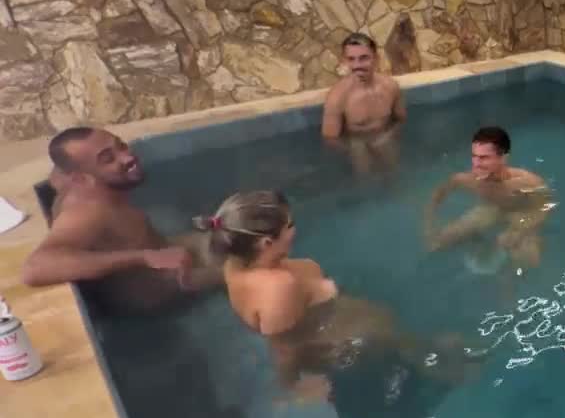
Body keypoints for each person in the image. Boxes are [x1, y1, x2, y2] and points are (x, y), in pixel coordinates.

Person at [197, 190, 477, 403]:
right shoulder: (278, 288)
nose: (295, 229)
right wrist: (293, 386)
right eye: (290, 225)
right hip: (349, 340)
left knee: (407, 339)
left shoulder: (236, 261)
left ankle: (432, 348)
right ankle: (462, 380)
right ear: (266, 243)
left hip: (341, 320)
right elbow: (283, 346)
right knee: (415, 353)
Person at [21, 127, 222, 314]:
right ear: (80, 178)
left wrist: (151, 255)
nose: (128, 157)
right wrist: (145, 257)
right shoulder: (86, 212)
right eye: (108, 159)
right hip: (160, 293)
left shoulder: (67, 179)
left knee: (230, 233)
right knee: (239, 270)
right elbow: (34, 269)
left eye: (121, 145)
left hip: (165, 255)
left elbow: (58, 171)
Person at [424, 126, 552, 269]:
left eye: (484, 158)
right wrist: (429, 224)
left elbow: (544, 207)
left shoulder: (527, 182)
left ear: (503, 158)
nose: (477, 164)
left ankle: (508, 276)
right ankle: (476, 240)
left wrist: (521, 229)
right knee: (441, 241)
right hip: (492, 209)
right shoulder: (467, 180)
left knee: (529, 260)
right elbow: (438, 195)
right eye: (474, 156)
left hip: (521, 213)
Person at [321, 32, 407, 175]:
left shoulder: (390, 86)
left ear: (376, 58)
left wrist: (389, 135)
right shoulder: (337, 97)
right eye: (351, 59)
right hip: (356, 144)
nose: (357, 65)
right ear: (345, 61)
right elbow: (330, 139)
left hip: (384, 138)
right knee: (365, 173)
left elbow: (400, 119)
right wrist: (354, 148)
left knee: (394, 174)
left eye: (364, 58)